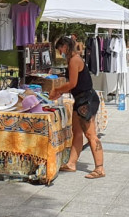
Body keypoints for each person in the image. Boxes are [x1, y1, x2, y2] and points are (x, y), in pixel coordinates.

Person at [50, 36, 105, 179]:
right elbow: (74, 85)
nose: (60, 52)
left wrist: (57, 90)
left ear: (65, 46)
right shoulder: (73, 60)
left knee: (90, 134)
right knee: (77, 131)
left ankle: (99, 168)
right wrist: (60, 91)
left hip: (86, 100)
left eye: (60, 48)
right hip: (81, 99)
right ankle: (72, 163)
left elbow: (72, 83)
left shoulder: (74, 60)